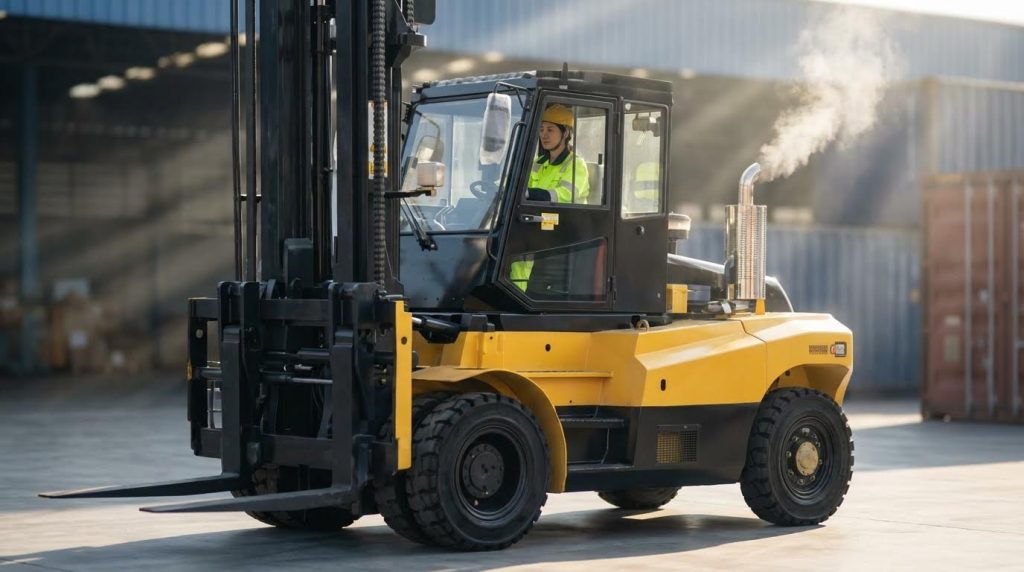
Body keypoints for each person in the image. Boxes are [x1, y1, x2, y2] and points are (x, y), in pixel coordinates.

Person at [511, 104, 590, 291]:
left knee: (519, 246)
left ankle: (519, 291)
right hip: (538, 222)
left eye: (550, 129)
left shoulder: (576, 165)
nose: (544, 135)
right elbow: (510, 184)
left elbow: (562, 197)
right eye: (541, 129)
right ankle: (514, 290)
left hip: (565, 227)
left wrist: (528, 193)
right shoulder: (538, 163)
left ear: (565, 134)